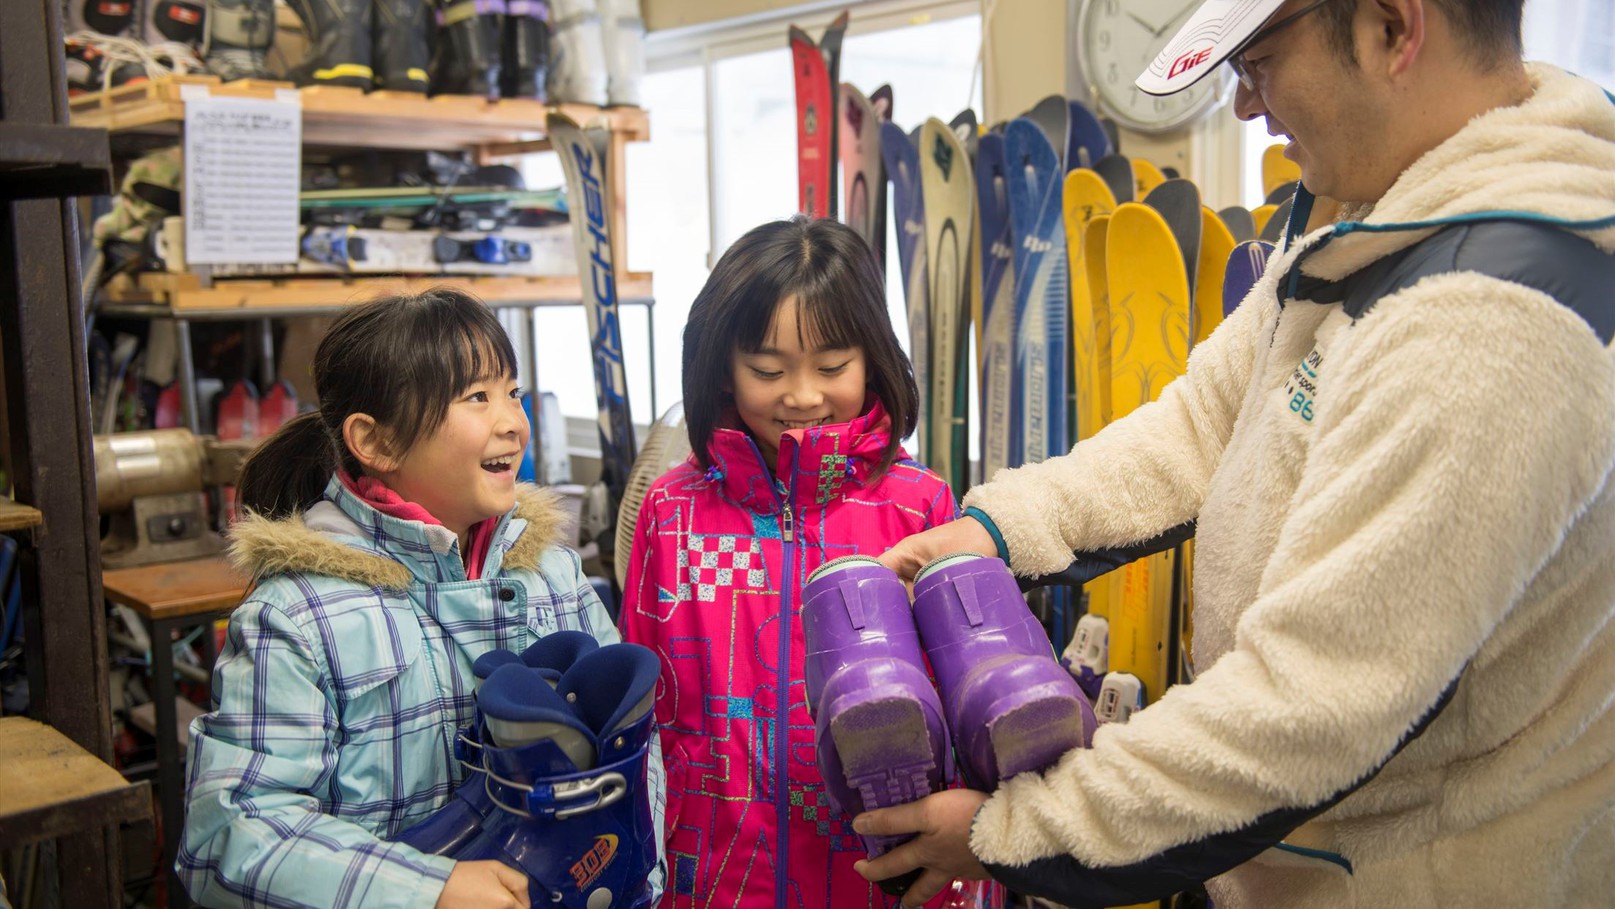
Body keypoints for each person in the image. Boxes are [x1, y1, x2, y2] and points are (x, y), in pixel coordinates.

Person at [852, 0, 1615, 907]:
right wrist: (997, 528)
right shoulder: (1379, 200)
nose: (1245, 105)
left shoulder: (1486, 324)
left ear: (1389, 29)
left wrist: (1010, 829)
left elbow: (1306, 712)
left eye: (1257, 61)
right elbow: (1209, 420)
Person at [177, 288, 665, 909]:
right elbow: (230, 836)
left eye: (512, 391)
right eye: (477, 397)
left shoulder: (552, 574)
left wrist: (634, 875)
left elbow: (634, 751)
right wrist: (428, 892)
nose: (514, 421)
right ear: (375, 443)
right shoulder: (299, 617)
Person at [620, 216, 996, 908]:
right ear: (724, 369)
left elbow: (971, 705)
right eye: (767, 369)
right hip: (715, 872)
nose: (800, 395)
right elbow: (642, 706)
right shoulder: (672, 510)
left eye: (831, 367)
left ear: (871, 359)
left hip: (882, 868)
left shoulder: (920, 507)